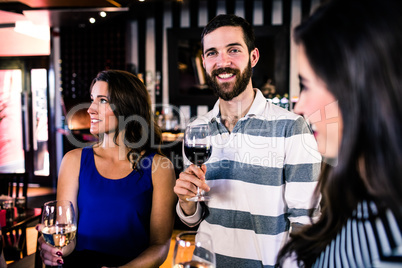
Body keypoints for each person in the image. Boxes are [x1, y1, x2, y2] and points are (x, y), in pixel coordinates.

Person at [173, 14, 322, 267]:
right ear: (204, 62)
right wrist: (186, 202)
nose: (223, 62)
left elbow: (306, 222)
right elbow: (193, 219)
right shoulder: (197, 130)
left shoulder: (292, 127)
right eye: (212, 53)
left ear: (253, 56)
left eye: (233, 50)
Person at [276, 0, 402, 267]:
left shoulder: (392, 250)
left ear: (359, 91)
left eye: (306, 85)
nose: (299, 107)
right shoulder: (359, 194)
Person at [37, 70, 177, 267]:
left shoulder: (159, 167)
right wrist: (55, 249)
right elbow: (68, 237)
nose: (90, 109)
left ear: (128, 107)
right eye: (92, 99)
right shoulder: (73, 160)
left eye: (102, 100)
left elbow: (160, 246)